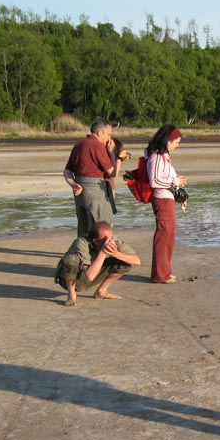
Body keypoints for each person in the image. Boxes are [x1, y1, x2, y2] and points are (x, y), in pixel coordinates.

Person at [63, 117, 129, 236]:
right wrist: (115, 156)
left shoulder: (78, 144)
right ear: (100, 133)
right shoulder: (96, 145)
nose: (109, 138)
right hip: (96, 191)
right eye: (108, 134)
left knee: (84, 230)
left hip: (80, 190)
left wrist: (74, 184)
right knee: (102, 227)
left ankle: (82, 253)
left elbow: (67, 172)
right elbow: (112, 173)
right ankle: (102, 253)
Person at [54, 222, 141, 306]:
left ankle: (101, 291)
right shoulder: (81, 242)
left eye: (111, 238)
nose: (111, 241)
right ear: (95, 241)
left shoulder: (113, 240)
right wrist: (103, 252)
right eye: (106, 239)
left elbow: (137, 261)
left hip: (93, 273)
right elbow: (90, 276)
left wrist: (115, 253)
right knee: (71, 261)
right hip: (73, 279)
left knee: (124, 262)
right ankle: (72, 295)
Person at [145, 124, 187, 284]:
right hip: (162, 199)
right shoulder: (156, 156)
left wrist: (177, 183)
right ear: (168, 140)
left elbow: (160, 179)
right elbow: (154, 180)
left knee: (168, 236)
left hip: (167, 198)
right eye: (176, 142)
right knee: (163, 236)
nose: (177, 145)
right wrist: (176, 180)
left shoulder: (162, 157)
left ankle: (165, 272)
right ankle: (160, 274)